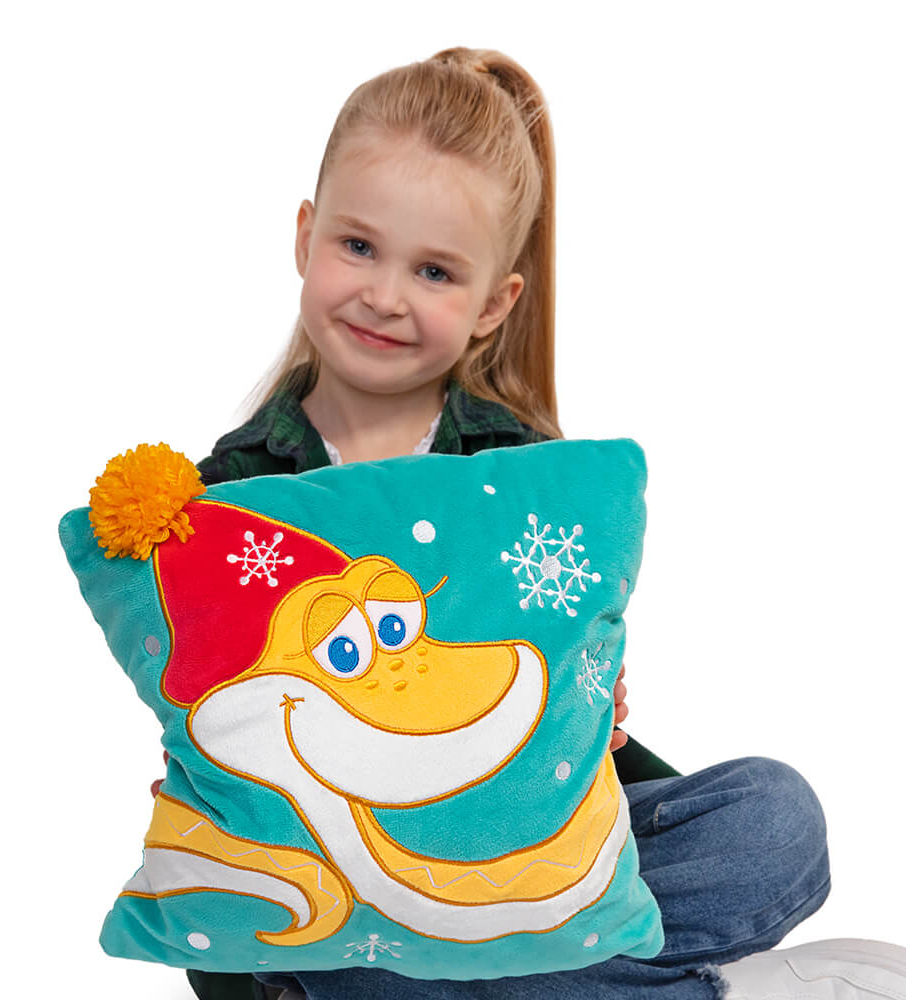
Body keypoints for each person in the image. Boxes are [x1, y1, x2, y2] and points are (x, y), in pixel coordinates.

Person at [167, 46, 906, 1000]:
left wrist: (593, 708)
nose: (386, 295)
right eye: (358, 247)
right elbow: (220, 733)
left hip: (530, 852)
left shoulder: (523, 465)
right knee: (363, 952)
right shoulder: (228, 497)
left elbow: (566, 703)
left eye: (435, 271)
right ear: (305, 237)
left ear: (493, 305)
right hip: (347, 882)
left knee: (775, 817)